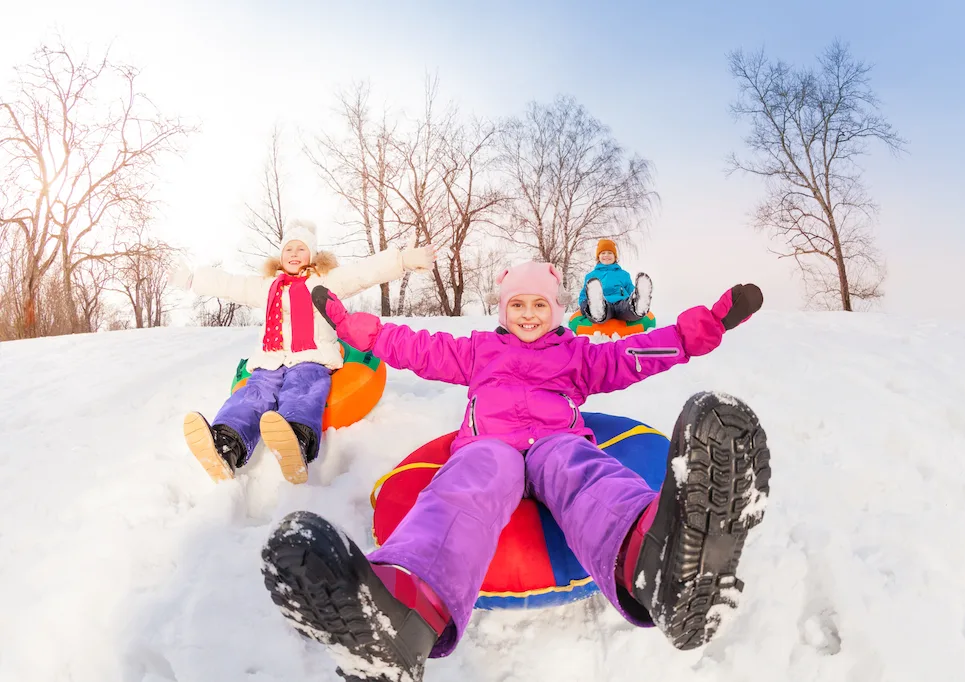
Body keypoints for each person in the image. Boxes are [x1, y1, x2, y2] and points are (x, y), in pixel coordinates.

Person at [261, 261, 769, 681]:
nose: (529, 314)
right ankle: (402, 617)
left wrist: (706, 327)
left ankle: (658, 565)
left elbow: (636, 355)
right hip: (492, 446)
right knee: (465, 488)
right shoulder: (480, 350)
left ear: (556, 310)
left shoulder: (576, 355)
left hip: (557, 442)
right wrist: (353, 327)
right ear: (504, 310)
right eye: (518, 305)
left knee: (586, 474)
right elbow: (414, 346)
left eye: (540, 304)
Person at [170, 219, 435, 484]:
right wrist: (194, 280)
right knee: (253, 394)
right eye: (289, 250)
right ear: (280, 257)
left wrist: (401, 261)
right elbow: (231, 285)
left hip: (311, 357)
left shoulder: (324, 281)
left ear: (312, 255)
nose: (294, 254)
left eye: (301, 249)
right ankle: (226, 444)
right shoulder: (267, 286)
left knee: (303, 388)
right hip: (271, 360)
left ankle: (296, 440)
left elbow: (362, 273)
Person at [578, 238, 652, 324]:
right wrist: (585, 305)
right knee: (603, 311)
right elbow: (584, 294)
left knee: (627, 309)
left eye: (610, 253)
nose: (606, 255)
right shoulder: (591, 276)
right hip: (604, 303)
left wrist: (635, 294)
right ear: (598, 257)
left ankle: (638, 306)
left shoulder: (623, 274)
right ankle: (597, 309)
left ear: (615, 257)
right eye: (603, 253)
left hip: (620, 302)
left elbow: (630, 288)